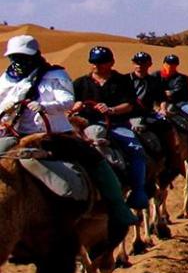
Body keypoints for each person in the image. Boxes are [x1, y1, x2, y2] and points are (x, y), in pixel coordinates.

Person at [0, 36, 138, 234]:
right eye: (14, 57)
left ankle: (117, 207)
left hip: (52, 133)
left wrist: (46, 106)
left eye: (23, 57)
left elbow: (67, 100)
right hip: (15, 133)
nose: (18, 61)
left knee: (94, 158)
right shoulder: (6, 79)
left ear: (35, 55)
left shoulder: (55, 74)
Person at [72, 46, 149, 211]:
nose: (97, 66)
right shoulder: (80, 83)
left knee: (136, 149)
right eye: (94, 62)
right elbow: (70, 103)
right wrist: (75, 106)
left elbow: (130, 105)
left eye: (101, 62)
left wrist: (111, 110)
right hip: (86, 125)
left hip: (116, 124)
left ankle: (138, 191)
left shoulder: (122, 81)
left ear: (111, 63)